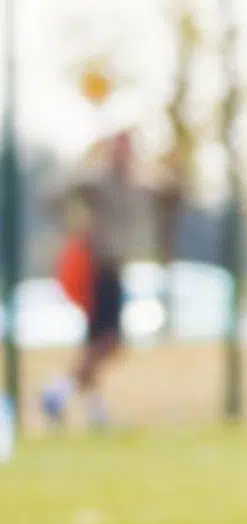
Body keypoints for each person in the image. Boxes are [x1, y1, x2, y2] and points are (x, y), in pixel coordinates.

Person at [41, 131, 142, 431]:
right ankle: (57, 394)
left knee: (96, 346)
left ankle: (92, 410)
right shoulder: (96, 182)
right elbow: (55, 195)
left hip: (116, 270)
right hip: (98, 272)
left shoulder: (134, 184)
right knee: (108, 343)